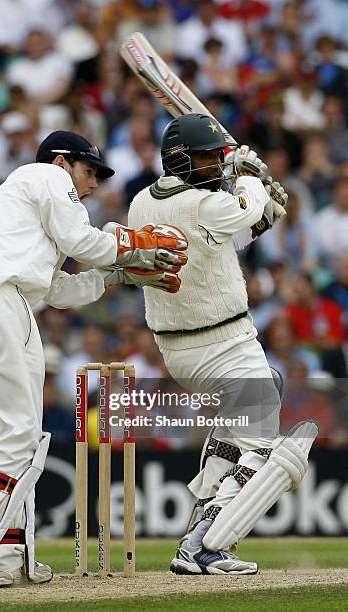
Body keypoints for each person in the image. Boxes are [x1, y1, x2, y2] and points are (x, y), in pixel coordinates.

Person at [0, 129, 188, 588]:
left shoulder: (24, 212)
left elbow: (57, 290)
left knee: (12, 438)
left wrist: (118, 276)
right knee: (22, 436)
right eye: (89, 172)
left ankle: (9, 553)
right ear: (61, 163)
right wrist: (133, 245)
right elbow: (83, 241)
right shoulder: (44, 177)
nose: (93, 185)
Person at [128, 113, 317, 575]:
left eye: (218, 157)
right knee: (264, 446)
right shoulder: (200, 204)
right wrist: (251, 178)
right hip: (223, 343)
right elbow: (235, 211)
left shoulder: (142, 203)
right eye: (208, 157)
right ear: (180, 160)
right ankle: (206, 546)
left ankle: (198, 534)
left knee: (237, 435)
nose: (216, 165)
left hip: (182, 349)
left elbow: (217, 242)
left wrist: (259, 216)